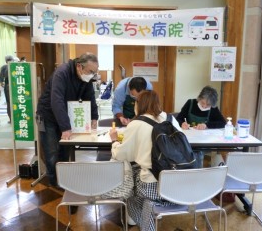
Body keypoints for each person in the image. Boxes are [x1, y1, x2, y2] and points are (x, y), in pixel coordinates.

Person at [109, 90, 181, 231]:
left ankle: (145, 226)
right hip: (176, 184)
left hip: (152, 187)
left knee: (129, 192)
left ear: (138, 104)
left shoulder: (137, 124)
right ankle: (148, 223)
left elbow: (123, 155)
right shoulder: (171, 119)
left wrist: (115, 141)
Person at [36, 53, 99, 187]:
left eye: (95, 72)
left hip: (64, 114)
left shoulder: (85, 78)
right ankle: (55, 182)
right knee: (52, 150)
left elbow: (90, 97)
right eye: (90, 71)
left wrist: (94, 117)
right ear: (79, 67)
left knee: (65, 149)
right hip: (48, 115)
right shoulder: (62, 73)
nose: (92, 75)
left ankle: (64, 179)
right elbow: (56, 100)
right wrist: (65, 127)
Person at [176, 85, 226, 167]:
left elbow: (223, 123)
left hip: (204, 141)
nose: (205, 106)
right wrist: (182, 123)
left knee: (198, 152)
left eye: (208, 104)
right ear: (199, 98)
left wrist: (206, 125)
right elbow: (178, 118)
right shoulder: (190, 103)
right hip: (189, 139)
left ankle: (196, 173)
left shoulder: (213, 109)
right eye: (203, 103)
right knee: (193, 151)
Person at [0, 55, 14, 123]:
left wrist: (2, 84)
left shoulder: (3, 67)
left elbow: (1, 80)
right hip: (16, 87)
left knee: (9, 103)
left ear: (6, 60)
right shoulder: (16, 66)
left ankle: (11, 119)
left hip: (7, 87)